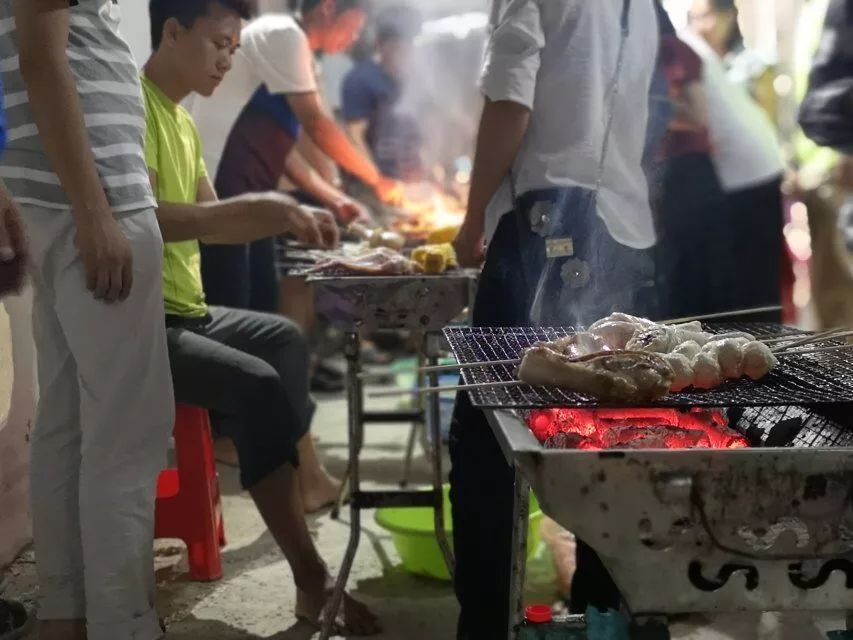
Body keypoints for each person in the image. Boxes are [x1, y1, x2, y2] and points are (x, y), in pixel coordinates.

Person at [143, 0, 379, 633]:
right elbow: (146, 222)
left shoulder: (185, 122)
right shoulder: (129, 111)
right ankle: (311, 578)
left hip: (189, 310)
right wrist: (270, 205)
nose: (227, 59)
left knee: (282, 337)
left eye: (233, 46)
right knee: (258, 385)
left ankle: (281, 466)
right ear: (172, 32)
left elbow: (216, 221)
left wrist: (295, 218)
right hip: (143, 321)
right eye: (219, 43)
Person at [450, 1, 660, 637]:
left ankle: (488, 626)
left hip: (546, 226)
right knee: (611, 438)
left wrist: (470, 216)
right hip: (622, 233)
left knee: (485, 440)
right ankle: (605, 617)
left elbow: (512, 98)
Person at [0, 1, 175, 638]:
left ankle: (66, 615)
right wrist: (96, 211)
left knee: (67, 424)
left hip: (53, 199)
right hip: (89, 203)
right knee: (125, 436)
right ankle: (121, 625)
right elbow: (42, 59)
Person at [187, 0, 400, 312]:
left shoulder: (298, 53)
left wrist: (336, 200)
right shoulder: (283, 34)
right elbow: (317, 125)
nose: (354, 38)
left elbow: (282, 152)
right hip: (221, 186)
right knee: (232, 303)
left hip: (252, 191)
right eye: (353, 27)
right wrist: (379, 180)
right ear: (328, 8)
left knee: (261, 302)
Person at [680, 28, 786, 320]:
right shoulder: (685, 40)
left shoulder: (673, 43)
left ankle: (767, 361)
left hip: (743, 172)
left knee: (751, 296)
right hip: (757, 161)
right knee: (757, 290)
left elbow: (696, 114)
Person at [652, 5, 732, 319]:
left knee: (698, 281)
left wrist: (635, 105)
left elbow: (696, 114)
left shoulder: (672, 49)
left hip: (689, 173)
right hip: (667, 176)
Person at [342, 12, 424, 182]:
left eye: (407, 46)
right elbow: (354, 135)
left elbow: (419, 133)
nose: (403, 53)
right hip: (371, 181)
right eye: (396, 47)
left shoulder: (411, 80)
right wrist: (376, 179)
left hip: (405, 180)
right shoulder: (361, 80)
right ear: (380, 46)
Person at [688, 0, 778, 124]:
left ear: (729, 16)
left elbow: (766, 122)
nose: (698, 27)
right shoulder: (691, 66)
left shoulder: (755, 69)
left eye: (705, 16)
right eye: (693, 18)